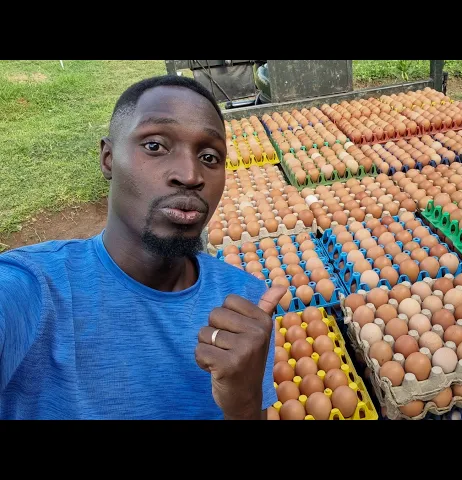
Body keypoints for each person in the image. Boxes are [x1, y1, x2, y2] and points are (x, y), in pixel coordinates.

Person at [0, 75, 286, 420]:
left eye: (210, 156)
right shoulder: (31, 291)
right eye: (155, 146)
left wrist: (244, 405)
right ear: (108, 158)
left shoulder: (244, 306)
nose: (190, 174)